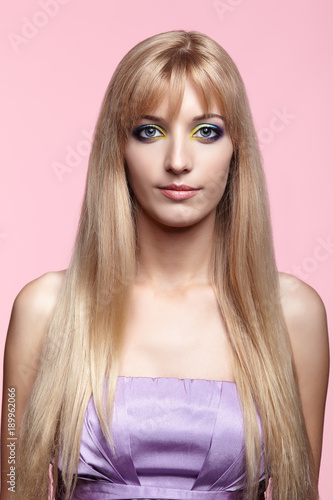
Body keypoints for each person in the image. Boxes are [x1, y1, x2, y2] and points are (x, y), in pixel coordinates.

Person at [0, 30, 329, 500]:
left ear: (238, 150)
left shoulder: (293, 315)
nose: (178, 161)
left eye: (207, 131)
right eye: (149, 131)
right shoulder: (46, 310)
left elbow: (302, 490)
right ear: (119, 148)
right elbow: (11, 482)